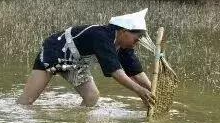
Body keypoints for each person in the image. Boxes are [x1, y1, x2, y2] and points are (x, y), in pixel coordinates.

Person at [17, 8, 155, 107]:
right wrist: (139, 90)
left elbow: (136, 72)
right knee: (27, 101)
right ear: (124, 32)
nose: (136, 44)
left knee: (92, 96)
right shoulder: (102, 36)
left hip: (76, 62)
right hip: (54, 52)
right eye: (136, 39)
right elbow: (116, 72)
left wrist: (152, 90)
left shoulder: (124, 45)